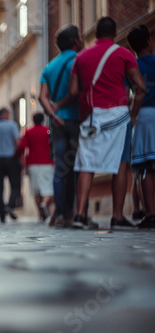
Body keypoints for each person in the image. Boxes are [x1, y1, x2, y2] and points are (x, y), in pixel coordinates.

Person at [69, 17, 146, 229]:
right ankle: (117, 216)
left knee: (86, 164)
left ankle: (79, 215)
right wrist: (133, 113)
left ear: (95, 34)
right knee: (120, 164)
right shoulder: (123, 53)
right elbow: (140, 87)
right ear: (114, 33)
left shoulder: (81, 56)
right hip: (119, 115)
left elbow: (74, 91)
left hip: (92, 116)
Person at [39, 24, 83, 227]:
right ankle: (75, 213)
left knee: (60, 168)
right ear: (76, 41)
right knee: (77, 167)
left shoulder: (49, 66)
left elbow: (42, 97)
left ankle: (60, 213)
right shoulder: (78, 60)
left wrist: (53, 115)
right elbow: (78, 91)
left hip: (57, 123)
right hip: (75, 119)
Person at [127, 25, 155, 228]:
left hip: (143, 117)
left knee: (146, 167)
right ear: (149, 42)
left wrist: (132, 114)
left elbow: (132, 92)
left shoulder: (131, 67)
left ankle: (151, 213)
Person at [15, 112, 54, 223]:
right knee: (48, 188)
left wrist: (21, 161)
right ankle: (44, 203)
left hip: (32, 163)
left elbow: (21, 147)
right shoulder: (48, 131)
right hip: (47, 162)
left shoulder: (28, 131)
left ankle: (40, 215)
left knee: (36, 190)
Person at [0, 107, 21, 223]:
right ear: (5, 114)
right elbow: (17, 141)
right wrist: (19, 156)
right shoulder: (12, 125)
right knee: (15, 185)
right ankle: (10, 205)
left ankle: (1, 215)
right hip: (11, 158)